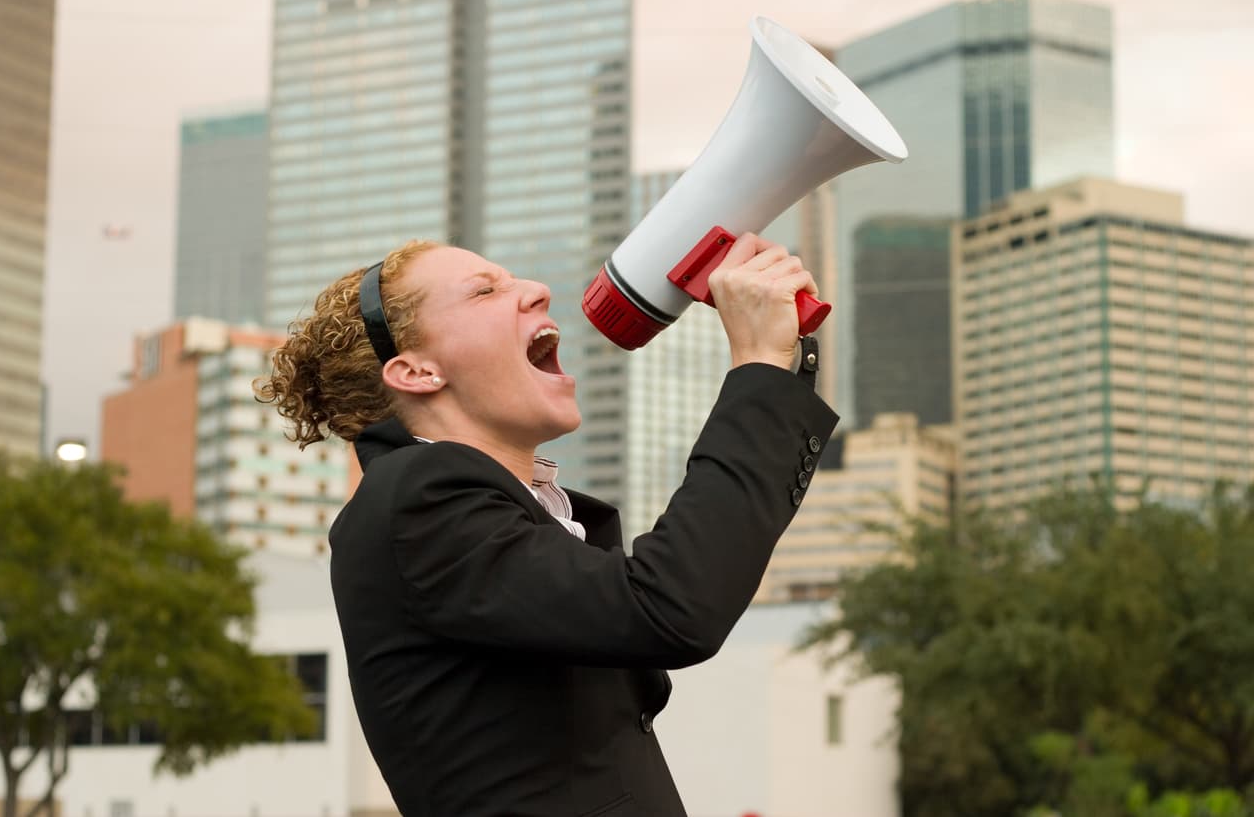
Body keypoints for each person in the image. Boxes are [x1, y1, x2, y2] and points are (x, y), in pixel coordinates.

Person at [256, 234, 838, 817]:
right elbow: (669, 605)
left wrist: (779, 368)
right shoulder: (416, 497)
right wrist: (759, 366)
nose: (537, 290)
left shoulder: (497, 513)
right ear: (417, 371)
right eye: (485, 291)